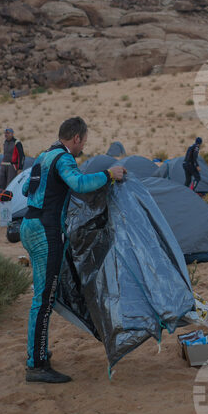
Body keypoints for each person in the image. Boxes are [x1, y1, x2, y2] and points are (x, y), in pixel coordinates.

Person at [20, 116, 126, 383]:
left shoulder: (43, 157)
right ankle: (36, 364)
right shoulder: (64, 158)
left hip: (29, 226)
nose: (83, 148)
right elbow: (78, 184)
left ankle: (38, 351)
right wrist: (108, 175)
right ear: (76, 138)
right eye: (84, 141)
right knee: (43, 300)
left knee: (44, 296)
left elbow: (25, 188)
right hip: (46, 231)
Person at [0, 128, 25, 192]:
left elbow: (22, 156)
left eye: (8, 133)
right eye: (5, 133)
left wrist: (20, 168)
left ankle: (8, 198)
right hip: (4, 165)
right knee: (1, 183)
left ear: (12, 134)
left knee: (10, 183)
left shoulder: (17, 143)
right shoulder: (5, 142)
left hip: (12, 166)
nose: (6, 135)